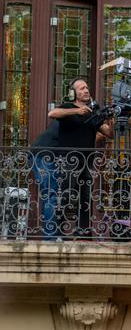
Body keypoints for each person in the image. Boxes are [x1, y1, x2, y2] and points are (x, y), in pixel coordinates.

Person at [32, 78, 113, 238]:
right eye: (82, 88)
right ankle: (51, 239)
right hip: (44, 155)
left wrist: (110, 120)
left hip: (69, 160)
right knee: (54, 194)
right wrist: (77, 111)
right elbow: (52, 113)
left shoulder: (89, 115)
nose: (86, 90)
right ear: (73, 94)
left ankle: (79, 233)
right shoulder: (69, 109)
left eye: (87, 87)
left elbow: (104, 134)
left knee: (74, 195)